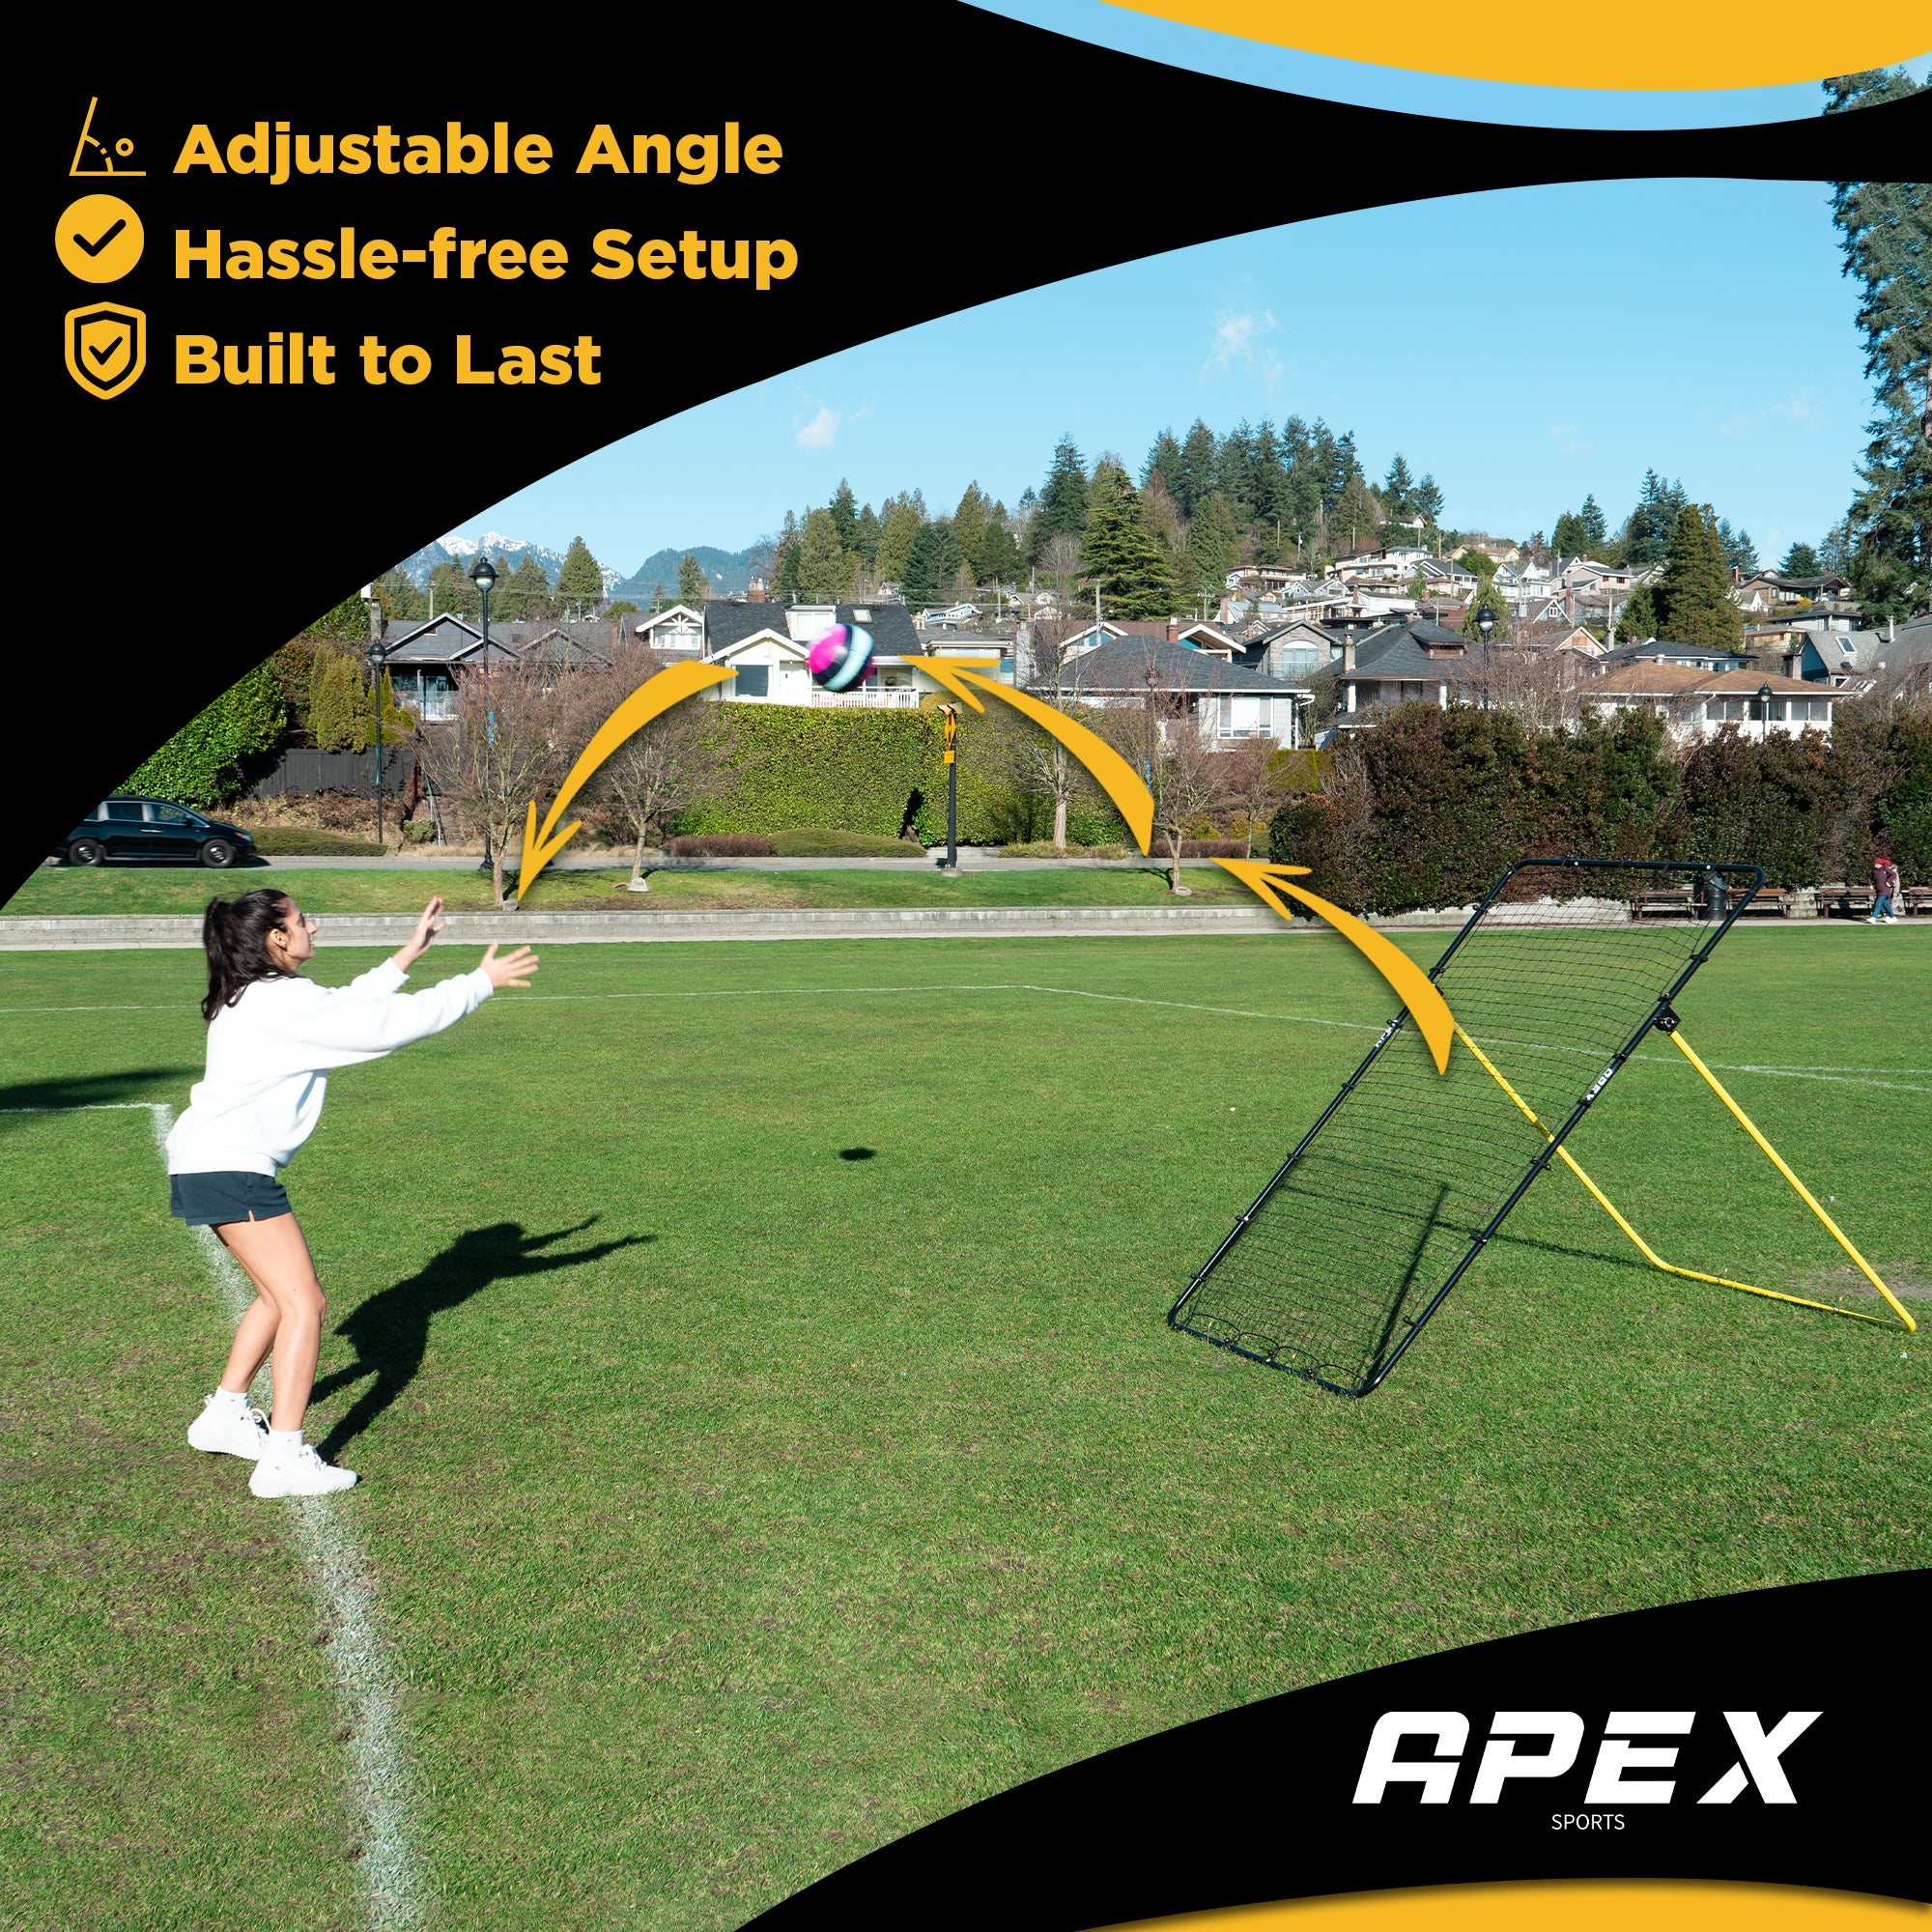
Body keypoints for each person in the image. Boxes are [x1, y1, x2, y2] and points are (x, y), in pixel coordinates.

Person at [168, 890, 538, 1496]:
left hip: (208, 1164)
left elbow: (342, 1006)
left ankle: (224, 1414)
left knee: (273, 1298)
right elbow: (382, 1028)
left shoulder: (257, 995)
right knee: (304, 1304)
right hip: (232, 1167)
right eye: (300, 920)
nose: (312, 925)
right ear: (276, 940)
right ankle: (283, 1457)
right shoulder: (279, 1002)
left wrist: (406, 957)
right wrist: (479, 983)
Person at [1867, 854, 1901, 924]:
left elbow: (1893, 875)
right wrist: (1871, 885)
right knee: (1886, 905)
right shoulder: (1874, 871)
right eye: (1875, 864)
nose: (1875, 866)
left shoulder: (1885, 869)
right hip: (1878, 890)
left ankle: (1873, 918)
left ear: (1880, 864)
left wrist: (1888, 882)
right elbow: (1869, 878)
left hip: (1885, 890)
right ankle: (1893, 917)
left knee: (1878, 904)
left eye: (1876, 864)